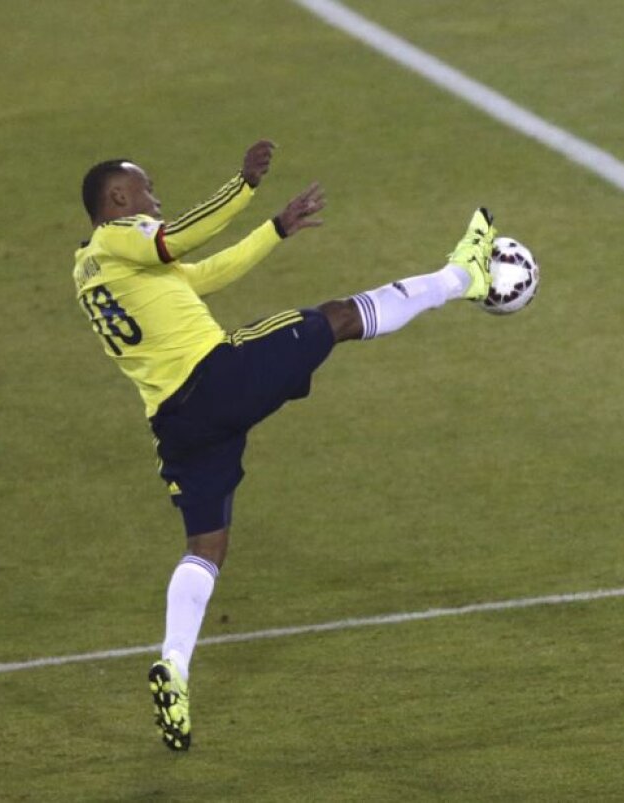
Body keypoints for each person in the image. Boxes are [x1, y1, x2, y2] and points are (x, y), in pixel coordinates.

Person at [73, 140, 499, 747]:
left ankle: (175, 663)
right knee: (335, 318)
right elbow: (175, 240)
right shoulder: (124, 235)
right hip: (215, 377)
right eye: (146, 190)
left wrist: (274, 229)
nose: (155, 199)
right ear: (117, 199)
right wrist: (241, 188)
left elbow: (201, 274)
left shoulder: (90, 267)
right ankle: (465, 274)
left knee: (205, 546)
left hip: (176, 424)